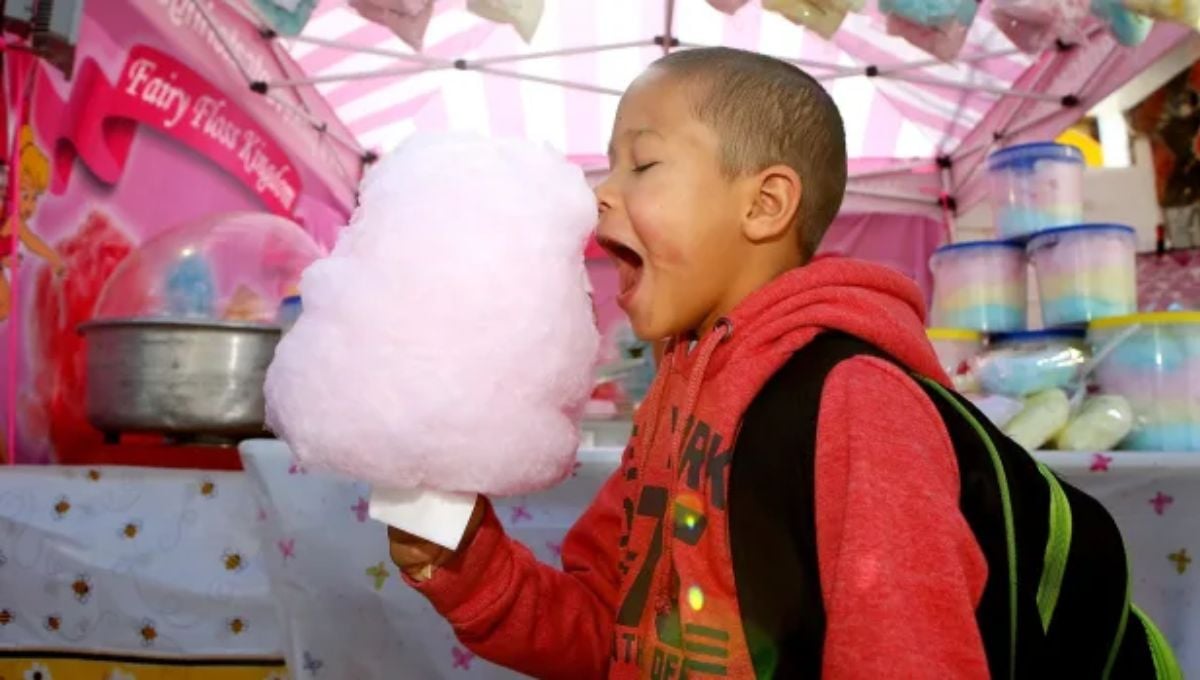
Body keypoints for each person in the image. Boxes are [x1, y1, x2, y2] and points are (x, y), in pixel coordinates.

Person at [391, 48, 1178, 679]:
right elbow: (610, 636)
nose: (600, 194)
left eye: (643, 164)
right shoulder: (673, 398)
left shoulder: (855, 401)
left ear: (765, 204)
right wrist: (464, 559)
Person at [1, 125, 66, 321]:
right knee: (4, 304)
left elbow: (32, 241)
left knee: (5, 305)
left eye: (34, 197)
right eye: (26, 195)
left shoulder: (14, 222)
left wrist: (54, 259)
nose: (30, 205)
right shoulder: (10, 219)